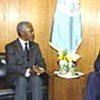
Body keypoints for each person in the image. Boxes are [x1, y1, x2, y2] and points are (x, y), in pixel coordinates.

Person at [5, 21, 46, 100]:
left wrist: (40, 69)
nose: (32, 34)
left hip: (33, 76)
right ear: (22, 33)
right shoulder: (11, 47)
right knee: (22, 81)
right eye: (30, 31)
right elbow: (11, 66)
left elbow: (41, 62)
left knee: (37, 80)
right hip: (16, 76)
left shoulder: (35, 46)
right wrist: (28, 71)